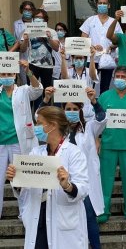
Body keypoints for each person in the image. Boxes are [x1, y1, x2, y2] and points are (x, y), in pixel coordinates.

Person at [6, 106, 89, 249]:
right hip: (38, 218)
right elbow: (26, 188)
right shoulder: (35, 153)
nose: (36, 127)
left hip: (63, 221)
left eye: (39, 123)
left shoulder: (74, 153)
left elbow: (83, 188)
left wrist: (67, 185)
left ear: (52, 125)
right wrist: (16, 179)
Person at [40, 86, 106, 249]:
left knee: (90, 217)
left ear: (80, 110)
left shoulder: (89, 128)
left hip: (84, 182)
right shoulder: (56, 133)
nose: (71, 111)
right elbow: (40, 120)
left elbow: (102, 119)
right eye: (68, 108)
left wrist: (94, 101)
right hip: (62, 183)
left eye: (75, 109)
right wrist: (46, 99)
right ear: (62, 111)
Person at [97, 66, 126, 223]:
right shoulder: (104, 97)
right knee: (105, 179)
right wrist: (97, 139)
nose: (120, 79)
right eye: (117, 76)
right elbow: (98, 121)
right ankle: (104, 209)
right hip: (108, 144)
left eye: (123, 76)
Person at [0, 60, 43, 218]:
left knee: (21, 179)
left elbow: (38, 90)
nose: (6, 77)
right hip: (1, 143)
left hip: (19, 142)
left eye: (9, 74)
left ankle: (24, 214)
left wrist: (28, 71)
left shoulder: (23, 90)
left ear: (15, 75)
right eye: (3, 74)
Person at [80, 0, 123, 94]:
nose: (102, 5)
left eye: (105, 3)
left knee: (105, 87)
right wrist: (92, 47)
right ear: (97, 5)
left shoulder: (114, 22)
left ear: (108, 6)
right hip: (92, 59)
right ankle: (87, 108)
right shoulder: (90, 20)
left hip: (108, 59)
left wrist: (111, 47)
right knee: (88, 86)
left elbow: (119, 40)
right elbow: (83, 38)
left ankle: (102, 108)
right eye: (100, 3)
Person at [20, 9, 59, 100]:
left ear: (45, 20)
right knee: (31, 89)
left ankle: (46, 111)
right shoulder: (28, 30)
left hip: (47, 66)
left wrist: (49, 38)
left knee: (47, 90)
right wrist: (25, 39)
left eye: (40, 17)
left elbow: (56, 48)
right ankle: (30, 111)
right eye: (36, 17)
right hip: (32, 65)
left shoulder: (52, 31)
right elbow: (22, 49)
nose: (38, 19)